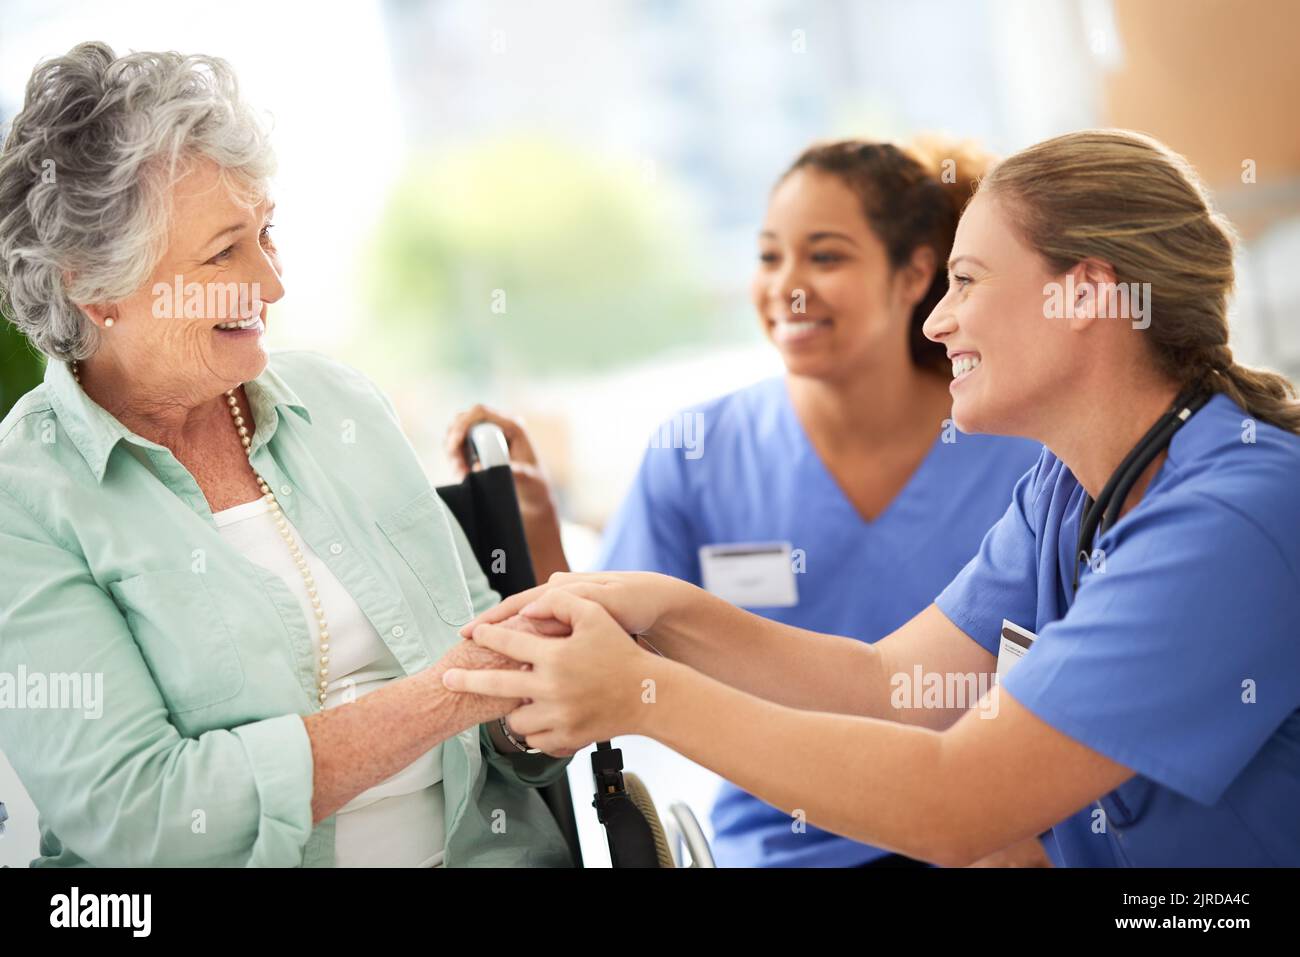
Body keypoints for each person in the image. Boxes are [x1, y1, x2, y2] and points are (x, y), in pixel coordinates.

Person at [446, 129, 1300, 867]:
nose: (937, 322)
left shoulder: (1231, 518)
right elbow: (894, 684)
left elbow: (956, 801)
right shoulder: (1064, 490)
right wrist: (665, 612)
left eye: (967, 281)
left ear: (1086, 292)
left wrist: (644, 695)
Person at [0, 42, 570, 867]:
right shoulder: (25, 496)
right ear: (93, 284)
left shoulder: (337, 405)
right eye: (225, 252)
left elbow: (505, 717)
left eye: (268, 234)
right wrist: (448, 695)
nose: (271, 284)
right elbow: (141, 817)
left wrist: (533, 700)